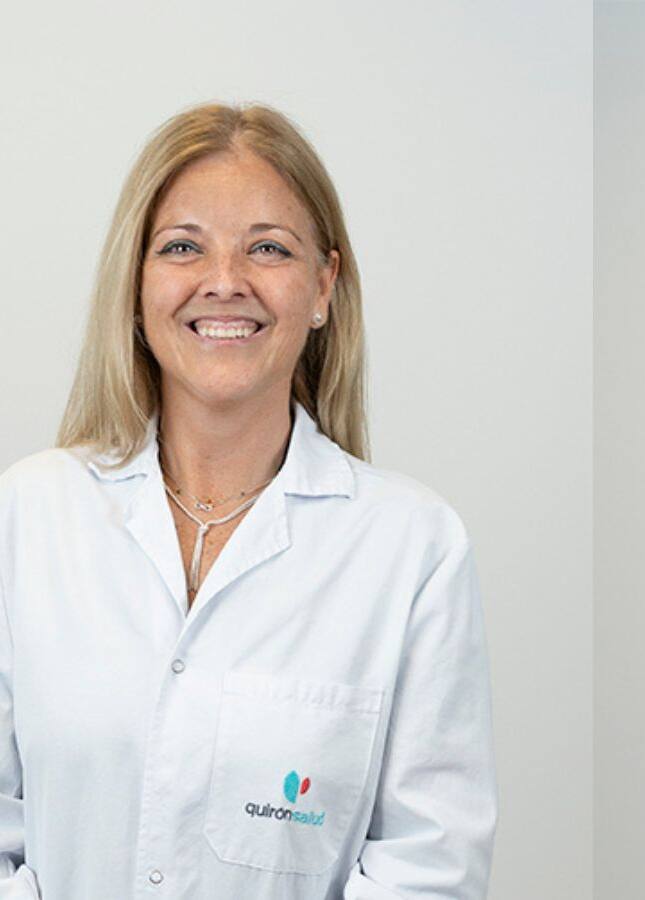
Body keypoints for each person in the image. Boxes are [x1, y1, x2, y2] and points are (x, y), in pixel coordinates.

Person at [0, 103, 497, 898]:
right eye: (182, 247)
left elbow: (429, 867)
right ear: (135, 284)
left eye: (268, 248)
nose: (225, 281)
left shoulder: (413, 548)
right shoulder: (26, 516)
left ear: (323, 286)